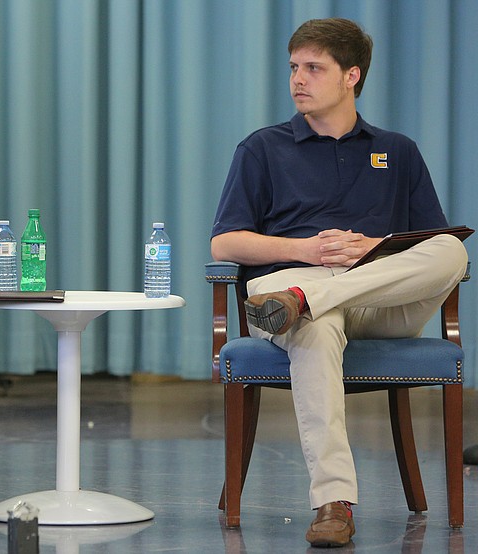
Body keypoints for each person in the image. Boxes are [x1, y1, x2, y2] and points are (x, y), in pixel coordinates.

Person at [211, 18, 468, 548]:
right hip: (286, 287)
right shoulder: (262, 148)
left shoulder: (397, 150)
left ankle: (306, 300)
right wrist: (305, 251)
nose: (297, 80)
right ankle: (333, 502)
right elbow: (224, 244)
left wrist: (370, 249)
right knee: (316, 323)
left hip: (372, 293)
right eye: (293, 68)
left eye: (313, 68)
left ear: (351, 76)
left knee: (453, 249)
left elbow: (430, 242)